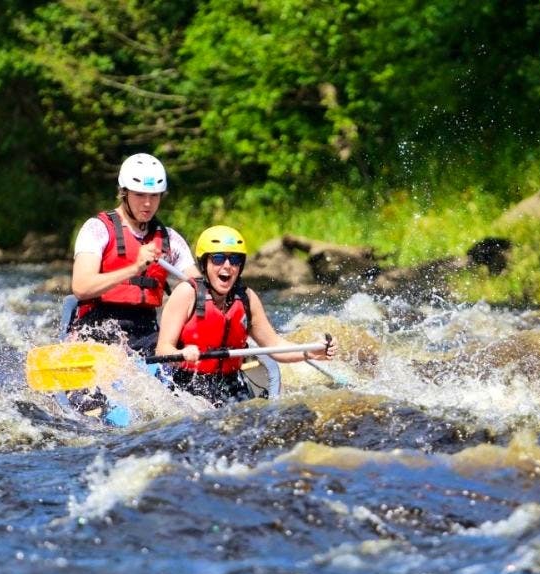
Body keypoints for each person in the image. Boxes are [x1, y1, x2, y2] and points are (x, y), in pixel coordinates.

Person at [66, 153, 200, 419]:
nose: (148, 203)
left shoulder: (170, 238)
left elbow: (198, 287)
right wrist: (134, 268)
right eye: (140, 195)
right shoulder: (97, 229)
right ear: (123, 193)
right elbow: (80, 287)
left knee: (179, 400)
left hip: (147, 331)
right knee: (99, 407)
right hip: (98, 328)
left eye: (155, 196)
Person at [156, 225, 337, 407]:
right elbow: (163, 349)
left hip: (232, 384)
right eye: (218, 258)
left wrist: (309, 352)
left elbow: (275, 345)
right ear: (204, 263)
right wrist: (181, 354)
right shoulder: (186, 294)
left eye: (234, 260)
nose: (227, 266)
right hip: (188, 384)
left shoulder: (247, 298)